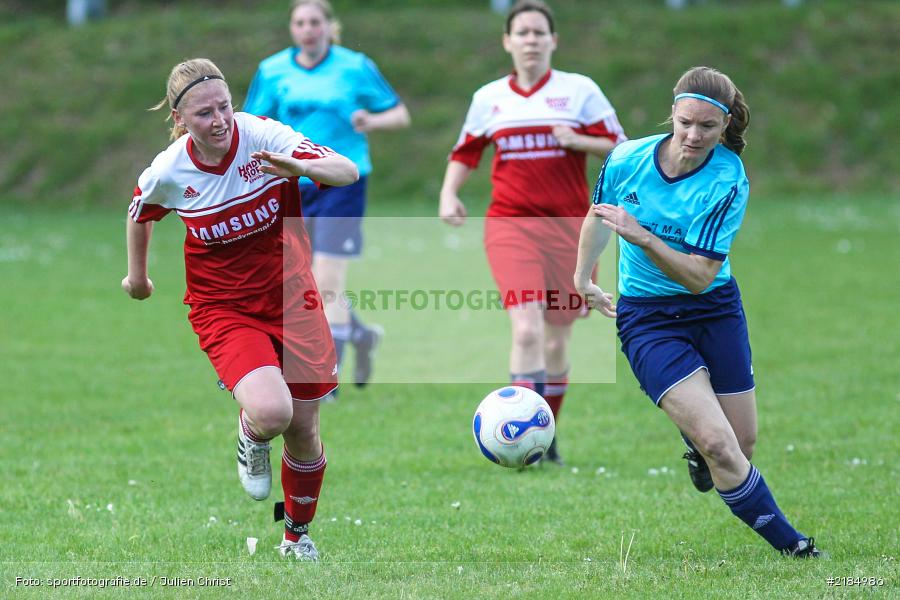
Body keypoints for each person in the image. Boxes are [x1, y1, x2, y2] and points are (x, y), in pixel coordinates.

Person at [574, 66, 821, 557]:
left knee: (741, 445)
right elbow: (598, 220)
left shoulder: (727, 178)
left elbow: (699, 275)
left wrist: (640, 234)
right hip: (648, 318)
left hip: (713, 309)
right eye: (685, 122)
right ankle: (795, 548)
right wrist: (583, 279)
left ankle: (701, 449)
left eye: (707, 127)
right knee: (720, 444)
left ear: (725, 126)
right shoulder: (626, 159)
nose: (693, 135)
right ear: (672, 112)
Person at [122, 58, 359, 561]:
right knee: (274, 412)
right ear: (181, 118)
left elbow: (347, 170)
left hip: (294, 297)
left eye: (225, 106)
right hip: (225, 308)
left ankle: (296, 536)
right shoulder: (171, 169)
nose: (220, 120)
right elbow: (140, 211)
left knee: (305, 430)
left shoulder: (263, 136)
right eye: (205, 113)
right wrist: (137, 277)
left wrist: (301, 167)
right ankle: (252, 432)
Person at [439, 0, 625, 465]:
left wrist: (578, 140)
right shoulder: (489, 98)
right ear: (507, 41)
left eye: (539, 33)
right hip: (510, 225)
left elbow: (621, 148)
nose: (530, 40)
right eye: (521, 33)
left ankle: (546, 433)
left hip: (571, 230)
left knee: (558, 339)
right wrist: (449, 194)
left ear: (553, 41)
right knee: (526, 330)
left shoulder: (579, 91)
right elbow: (466, 151)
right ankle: (521, 435)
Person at [244, 0, 411, 396]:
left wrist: (371, 120)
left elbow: (399, 114)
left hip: (342, 182)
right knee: (303, 281)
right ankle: (361, 334)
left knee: (328, 279)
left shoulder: (354, 66)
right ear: (292, 28)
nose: (307, 29)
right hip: (290, 186)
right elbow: (250, 124)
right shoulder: (272, 71)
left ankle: (326, 375)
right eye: (300, 22)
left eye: (315, 22)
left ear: (329, 26)